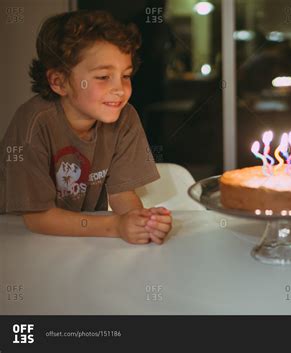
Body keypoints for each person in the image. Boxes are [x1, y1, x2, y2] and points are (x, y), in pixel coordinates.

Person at [0, 10, 172, 244]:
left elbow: (122, 194)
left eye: (126, 75)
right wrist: (115, 226)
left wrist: (141, 222)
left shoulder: (125, 117)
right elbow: (37, 218)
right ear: (59, 82)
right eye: (103, 77)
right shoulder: (34, 123)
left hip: (85, 237)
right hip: (19, 239)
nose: (120, 89)